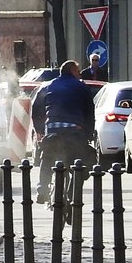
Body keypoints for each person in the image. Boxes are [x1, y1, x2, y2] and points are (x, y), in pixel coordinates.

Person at [33, 60, 96, 205]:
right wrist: (88, 135)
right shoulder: (82, 87)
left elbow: (36, 108)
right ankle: (72, 195)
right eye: (78, 72)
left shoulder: (47, 86)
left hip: (53, 131)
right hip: (75, 133)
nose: (80, 74)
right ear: (74, 72)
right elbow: (89, 113)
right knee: (79, 164)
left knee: (47, 158)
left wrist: (40, 130)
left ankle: (42, 189)